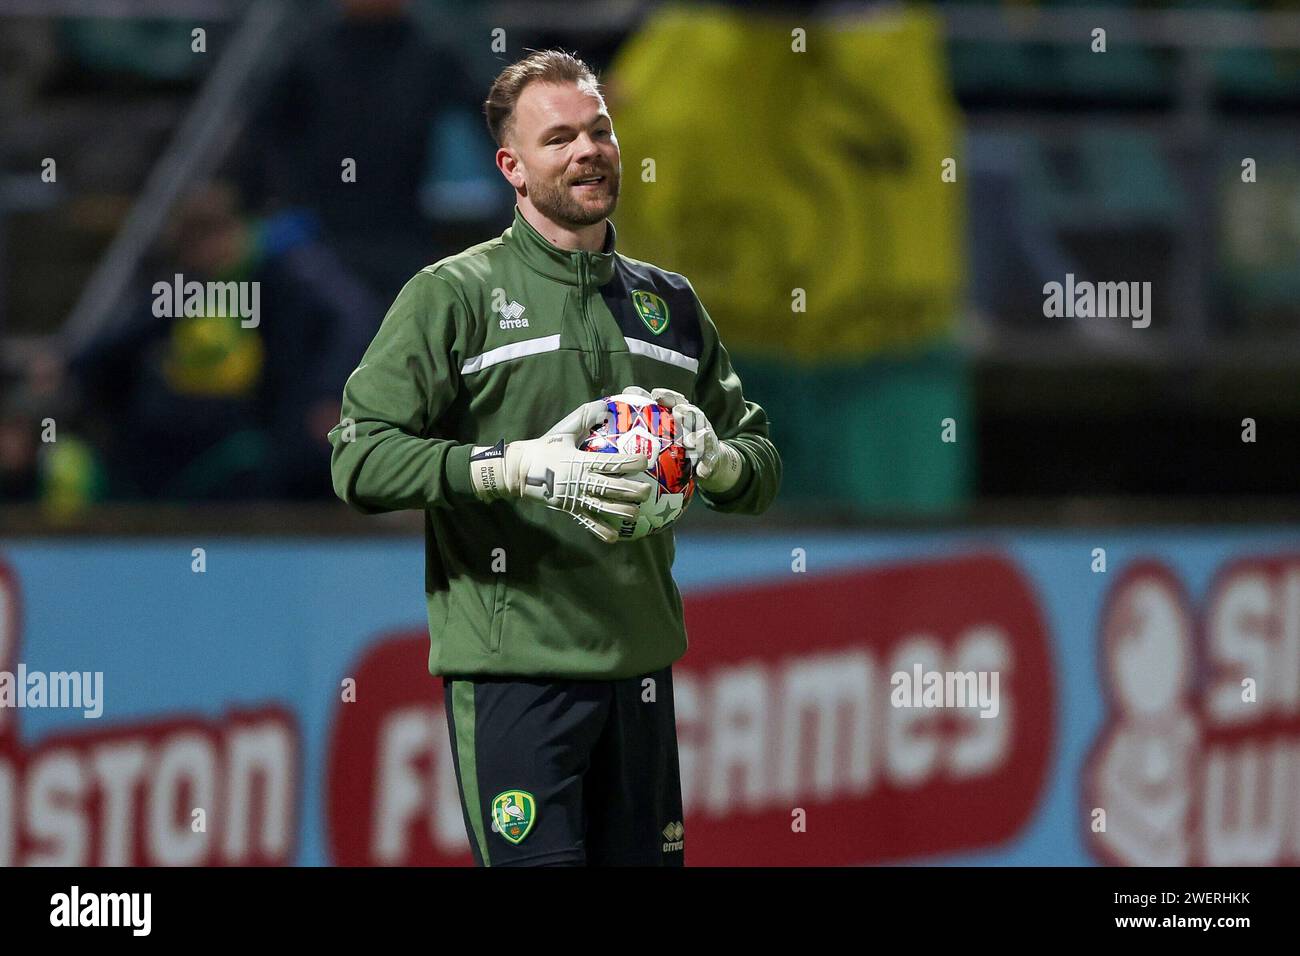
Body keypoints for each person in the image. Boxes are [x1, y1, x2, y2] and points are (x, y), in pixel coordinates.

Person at [329, 50, 781, 866]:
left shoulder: (669, 304)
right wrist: (510, 466)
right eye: (560, 137)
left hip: (641, 671)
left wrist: (718, 463)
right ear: (510, 165)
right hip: (516, 679)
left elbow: (759, 462)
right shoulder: (452, 295)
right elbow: (358, 459)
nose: (589, 151)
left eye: (599, 131)